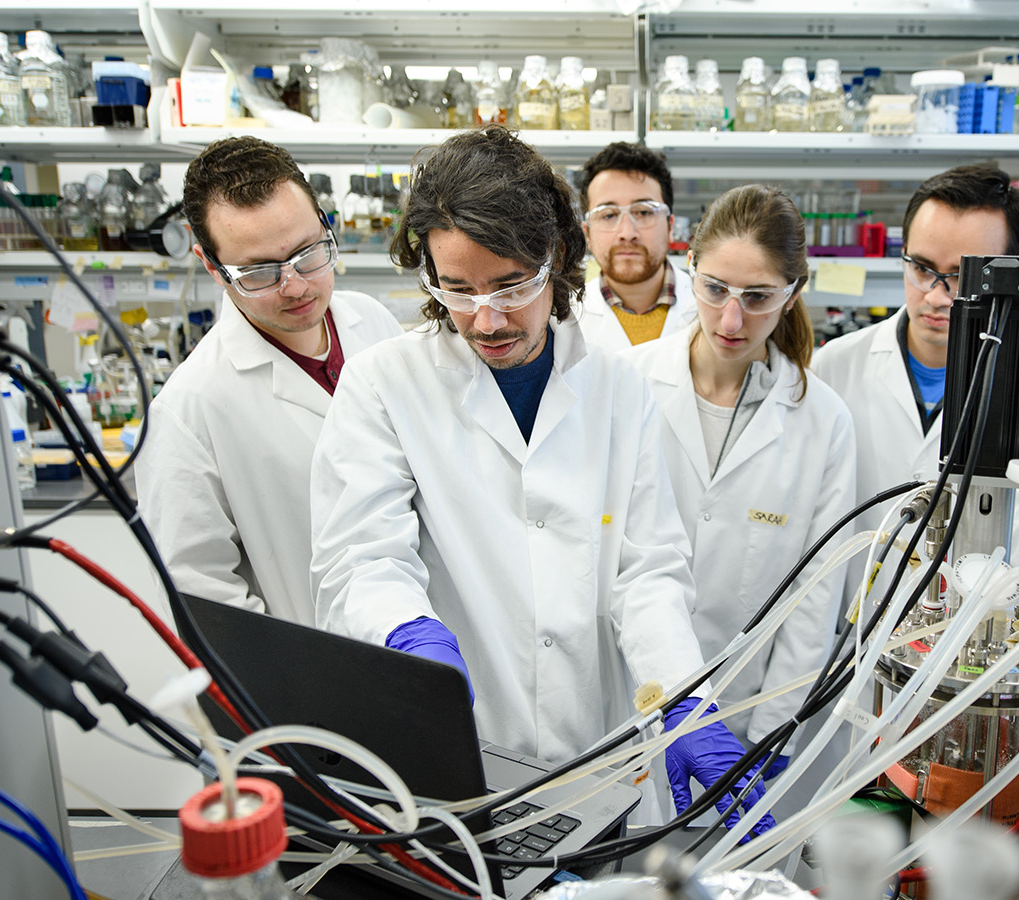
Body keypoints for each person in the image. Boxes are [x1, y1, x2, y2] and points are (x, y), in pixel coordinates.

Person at [308, 126, 770, 833]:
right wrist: (407, 634)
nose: (486, 320)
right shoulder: (384, 384)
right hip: (460, 750)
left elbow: (646, 570)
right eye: (455, 289)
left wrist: (681, 696)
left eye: (511, 285)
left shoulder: (617, 383)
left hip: (599, 750)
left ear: (556, 258)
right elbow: (361, 558)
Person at [624, 184, 856, 785]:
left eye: (758, 297)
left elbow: (814, 597)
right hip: (628, 707)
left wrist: (771, 736)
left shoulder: (821, 419)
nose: (732, 318)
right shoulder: (629, 385)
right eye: (716, 289)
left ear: (794, 292)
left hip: (745, 717)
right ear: (689, 270)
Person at [136, 136, 402, 625]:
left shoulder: (374, 323)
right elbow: (200, 600)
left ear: (327, 224)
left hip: (422, 630)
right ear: (212, 267)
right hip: (319, 676)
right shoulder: (189, 411)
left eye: (308, 253)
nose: (296, 286)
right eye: (259, 271)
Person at [814, 164, 1019, 596]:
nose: (935, 296)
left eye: (963, 276)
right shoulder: (834, 366)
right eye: (922, 268)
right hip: (853, 631)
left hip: (969, 638)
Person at [576, 142, 698, 350]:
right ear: (587, 233)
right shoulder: (565, 319)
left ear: (670, 225)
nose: (627, 234)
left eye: (643, 212)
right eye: (608, 215)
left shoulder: (708, 308)